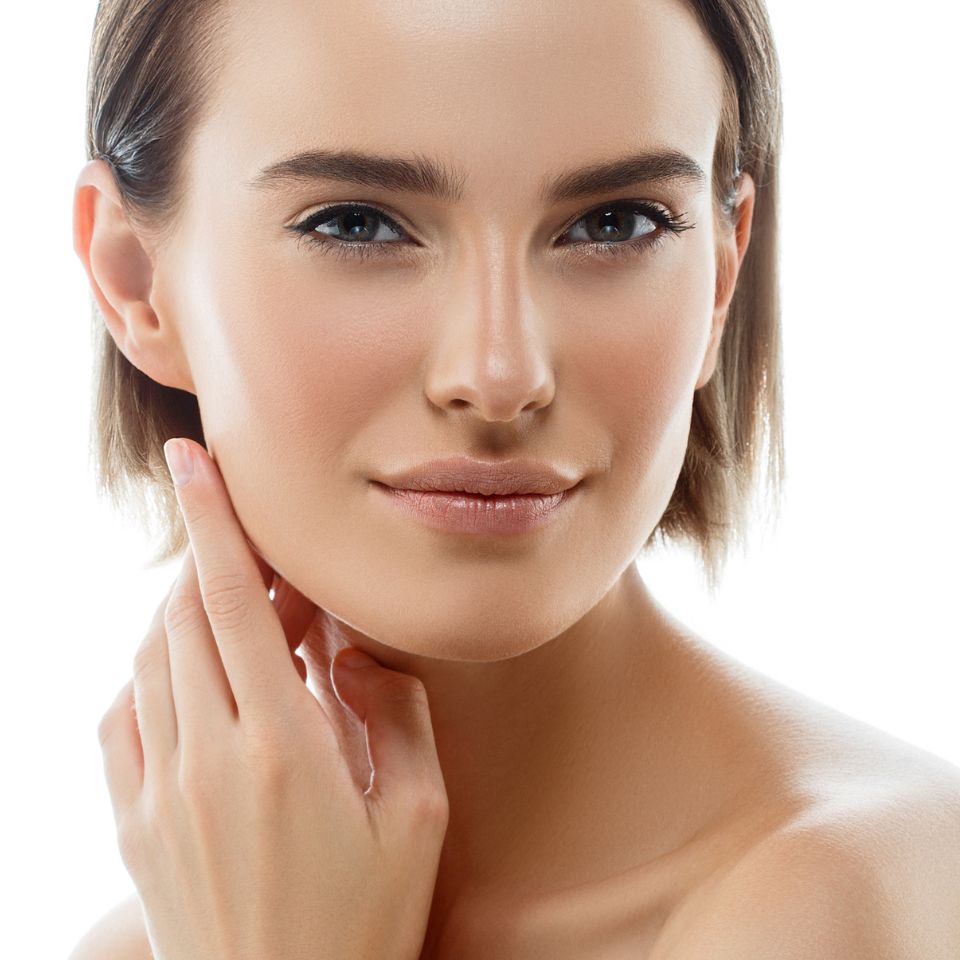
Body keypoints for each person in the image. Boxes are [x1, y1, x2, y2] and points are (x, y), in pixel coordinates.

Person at [69, 0, 960, 957]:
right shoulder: (171, 940)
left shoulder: (841, 900)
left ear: (719, 276)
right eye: (359, 224)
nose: (499, 376)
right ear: (131, 278)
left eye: (615, 222)